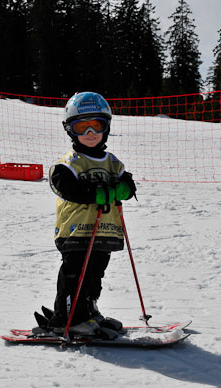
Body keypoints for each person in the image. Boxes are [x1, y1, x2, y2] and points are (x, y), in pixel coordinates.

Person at [47, 92, 136, 335]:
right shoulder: (69, 163)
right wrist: (98, 193)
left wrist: (123, 188)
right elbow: (66, 188)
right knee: (76, 274)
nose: (89, 133)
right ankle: (66, 317)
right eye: (81, 127)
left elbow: (129, 187)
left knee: (95, 274)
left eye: (96, 125)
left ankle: (88, 310)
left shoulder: (113, 162)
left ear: (106, 127)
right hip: (76, 231)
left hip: (105, 230)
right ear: (70, 130)